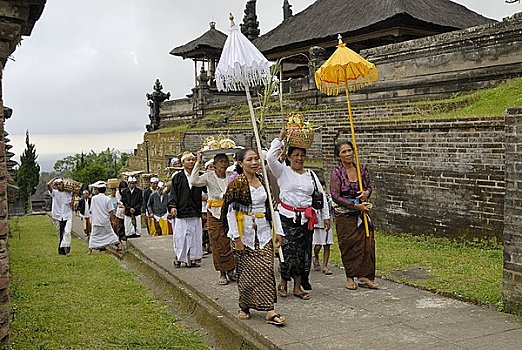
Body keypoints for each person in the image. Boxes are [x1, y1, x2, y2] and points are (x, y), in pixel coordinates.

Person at [222, 148, 285, 326]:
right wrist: (236, 238)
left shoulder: (264, 182)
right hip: (244, 234)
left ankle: (270, 310)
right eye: (249, 160)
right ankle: (245, 306)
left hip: (264, 233)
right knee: (246, 274)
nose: (254, 162)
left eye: (257, 159)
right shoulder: (236, 184)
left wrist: (279, 231)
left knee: (266, 270)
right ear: (241, 163)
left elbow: (273, 208)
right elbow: (230, 213)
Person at [266, 128, 330, 300]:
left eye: (302, 155)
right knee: (288, 251)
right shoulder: (282, 171)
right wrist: (280, 138)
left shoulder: (311, 175)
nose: (299, 158)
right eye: (296, 155)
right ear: (289, 157)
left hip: (306, 219)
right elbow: (270, 158)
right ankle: (283, 282)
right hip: (287, 217)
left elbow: (320, 195)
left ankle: (297, 287)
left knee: (303, 253)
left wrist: (326, 216)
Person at [330, 140, 378, 290]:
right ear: (339, 156)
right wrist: (354, 205)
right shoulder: (337, 173)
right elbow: (335, 195)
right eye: (344, 152)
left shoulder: (361, 169)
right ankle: (350, 276)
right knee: (349, 245)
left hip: (362, 212)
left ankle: (365, 276)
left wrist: (366, 193)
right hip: (345, 215)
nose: (348, 154)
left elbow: (369, 186)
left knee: (367, 244)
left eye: (349, 150)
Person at [191, 153, 236, 285]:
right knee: (217, 242)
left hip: (230, 213)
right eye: (220, 162)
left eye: (225, 161)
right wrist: (198, 162)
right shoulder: (209, 176)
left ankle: (231, 269)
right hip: (214, 213)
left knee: (230, 241)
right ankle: (222, 271)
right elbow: (194, 181)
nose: (223, 164)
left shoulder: (231, 176)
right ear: (214, 165)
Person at [169, 152, 204, 267]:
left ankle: (193, 259)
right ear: (182, 163)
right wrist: (173, 206)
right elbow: (173, 193)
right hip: (182, 210)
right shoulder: (178, 177)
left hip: (195, 209)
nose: (191, 162)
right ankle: (179, 257)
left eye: (193, 160)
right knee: (181, 236)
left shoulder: (199, 175)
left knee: (195, 236)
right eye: (188, 160)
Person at [88, 182, 122, 254]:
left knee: (94, 235)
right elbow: (111, 211)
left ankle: (90, 249)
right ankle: (119, 245)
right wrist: (113, 220)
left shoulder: (94, 199)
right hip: (105, 221)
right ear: (105, 190)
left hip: (96, 220)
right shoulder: (107, 199)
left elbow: (91, 210)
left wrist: (92, 219)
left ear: (98, 190)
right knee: (111, 234)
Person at [312, 173, 333, 275]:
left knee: (327, 245)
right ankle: (315, 256)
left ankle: (325, 266)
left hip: (327, 222)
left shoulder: (328, 197)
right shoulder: (313, 197)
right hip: (318, 223)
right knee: (318, 245)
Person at [47, 177, 74, 255]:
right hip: (58, 216)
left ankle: (67, 247)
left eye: (60, 184)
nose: (58, 186)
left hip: (67, 215)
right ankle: (61, 249)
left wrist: (73, 197)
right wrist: (54, 178)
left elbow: (70, 205)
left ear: (63, 185)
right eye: (57, 185)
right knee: (60, 233)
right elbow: (48, 185)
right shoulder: (54, 193)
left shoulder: (68, 194)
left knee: (67, 232)